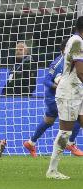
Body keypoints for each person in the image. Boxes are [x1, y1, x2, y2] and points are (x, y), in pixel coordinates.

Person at [23, 39, 83, 157]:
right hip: (54, 97)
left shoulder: (71, 61)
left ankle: (31, 142)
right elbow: (46, 80)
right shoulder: (58, 63)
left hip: (60, 96)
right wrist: (57, 86)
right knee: (77, 118)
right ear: (64, 49)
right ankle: (70, 143)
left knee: (49, 121)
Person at [46, 16, 83, 180]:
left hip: (77, 90)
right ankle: (52, 170)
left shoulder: (75, 40)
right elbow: (80, 71)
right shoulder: (77, 42)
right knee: (65, 132)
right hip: (68, 92)